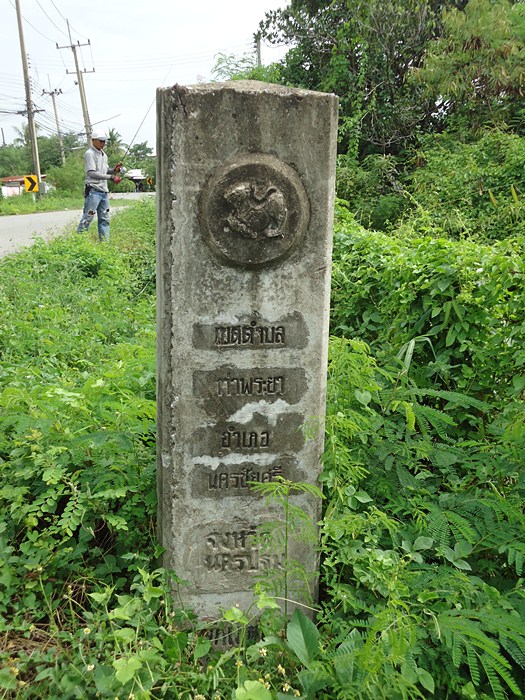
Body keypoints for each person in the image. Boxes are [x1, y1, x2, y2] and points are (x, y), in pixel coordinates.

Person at [76, 132, 123, 241]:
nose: (103, 143)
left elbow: (105, 171)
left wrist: (115, 170)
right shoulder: (89, 154)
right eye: (101, 141)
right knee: (88, 217)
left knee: (105, 219)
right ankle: (78, 242)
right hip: (93, 191)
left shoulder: (104, 155)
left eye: (104, 141)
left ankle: (105, 244)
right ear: (93, 140)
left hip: (104, 192)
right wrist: (111, 177)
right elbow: (92, 173)